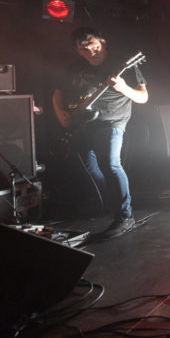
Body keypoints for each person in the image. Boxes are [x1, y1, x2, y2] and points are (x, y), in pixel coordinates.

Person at [52, 26, 148, 238]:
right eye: (83, 49)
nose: (90, 53)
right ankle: (108, 202)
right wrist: (61, 113)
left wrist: (123, 88)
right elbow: (58, 93)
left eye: (93, 46)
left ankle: (125, 216)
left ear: (103, 43)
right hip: (83, 123)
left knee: (111, 165)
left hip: (112, 121)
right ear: (77, 50)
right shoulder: (75, 67)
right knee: (88, 165)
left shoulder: (122, 64)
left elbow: (143, 97)